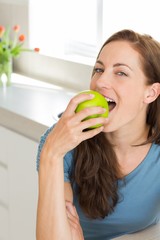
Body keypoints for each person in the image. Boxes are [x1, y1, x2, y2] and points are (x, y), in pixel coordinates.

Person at [36, 29, 160, 240]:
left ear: (150, 93)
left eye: (120, 72)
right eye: (98, 69)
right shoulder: (63, 142)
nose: (101, 82)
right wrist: (51, 154)